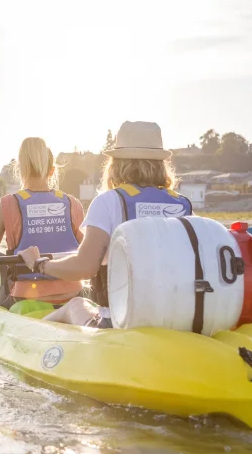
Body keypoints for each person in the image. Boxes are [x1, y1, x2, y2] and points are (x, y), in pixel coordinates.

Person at [18, 121, 192, 327]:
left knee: (75, 304)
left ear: (116, 163)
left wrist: (40, 264)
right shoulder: (183, 204)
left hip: (119, 321)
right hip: (176, 318)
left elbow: (85, 268)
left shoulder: (109, 202)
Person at [0, 137, 84, 306]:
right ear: (52, 171)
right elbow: (88, 254)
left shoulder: (8, 204)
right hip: (72, 293)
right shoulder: (73, 203)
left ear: (20, 170)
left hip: (26, 297)